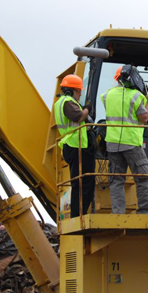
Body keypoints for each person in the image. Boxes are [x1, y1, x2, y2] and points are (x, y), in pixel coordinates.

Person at [101, 65, 148, 214]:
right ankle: (144, 212)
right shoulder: (136, 96)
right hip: (131, 144)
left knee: (116, 181)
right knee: (142, 178)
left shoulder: (106, 95)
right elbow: (144, 118)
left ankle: (118, 213)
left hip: (112, 144)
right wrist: (147, 101)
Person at [54, 74, 95, 217]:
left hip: (71, 145)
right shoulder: (68, 102)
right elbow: (79, 117)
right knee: (84, 182)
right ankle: (79, 214)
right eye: (78, 91)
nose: (80, 94)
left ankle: (78, 213)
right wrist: (87, 109)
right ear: (71, 91)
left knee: (79, 182)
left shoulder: (61, 102)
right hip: (75, 146)